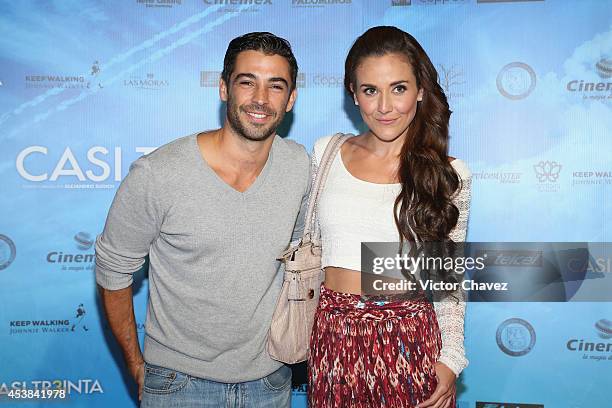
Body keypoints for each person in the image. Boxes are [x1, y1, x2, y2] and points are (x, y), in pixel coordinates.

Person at [95, 32, 310, 408]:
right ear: (224, 88)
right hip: (178, 386)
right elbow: (113, 269)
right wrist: (135, 363)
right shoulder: (158, 173)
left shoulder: (300, 168)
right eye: (247, 82)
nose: (260, 99)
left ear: (291, 99)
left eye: (275, 86)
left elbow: (302, 259)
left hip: (271, 384)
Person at [308, 26, 471, 408]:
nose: (384, 107)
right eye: (370, 90)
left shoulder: (449, 174)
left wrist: (450, 359)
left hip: (410, 341)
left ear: (420, 91)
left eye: (398, 88)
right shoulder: (325, 153)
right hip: (333, 337)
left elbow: (448, 277)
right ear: (353, 94)